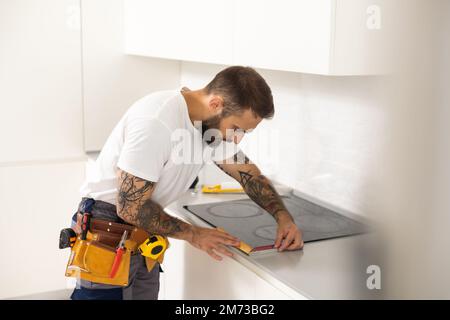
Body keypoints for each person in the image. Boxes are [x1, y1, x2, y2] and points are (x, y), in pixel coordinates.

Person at [70, 66, 303, 300]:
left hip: (143, 233)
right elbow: (130, 207)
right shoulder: (157, 121)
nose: (236, 138)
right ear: (215, 104)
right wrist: (194, 234)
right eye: (236, 128)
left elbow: (247, 173)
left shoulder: (208, 125)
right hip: (108, 229)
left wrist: (283, 217)